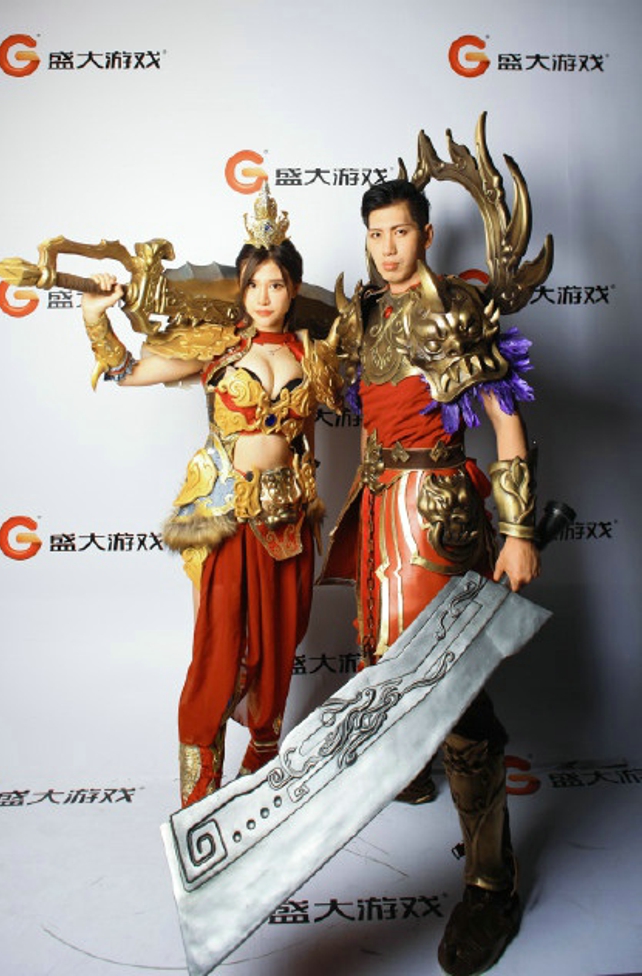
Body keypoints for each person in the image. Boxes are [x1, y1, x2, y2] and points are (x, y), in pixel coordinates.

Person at [321, 178, 540, 976]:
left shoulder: (455, 310)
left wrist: (517, 531)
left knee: (457, 695)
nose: (388, 247)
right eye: (376, 233)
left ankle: (491, 883)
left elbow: (507, 417)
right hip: (383, 511)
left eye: (401, 231)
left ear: (425, 234)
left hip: (440, 513)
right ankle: (411, 769)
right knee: (388, 663)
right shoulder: (369, 315)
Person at [80, 185, 342, 807]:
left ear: (294, 290)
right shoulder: (217, 346)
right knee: (217, 653)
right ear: (241, 290)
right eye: (254, 285)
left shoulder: (317, 356)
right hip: (225, 517)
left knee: (278, 653)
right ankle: (197, 800)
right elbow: (126, 372)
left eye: (277, 285)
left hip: (287, 523)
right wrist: (95, 319)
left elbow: (321, 431)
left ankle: (258, 779)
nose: (264, 297)